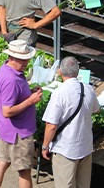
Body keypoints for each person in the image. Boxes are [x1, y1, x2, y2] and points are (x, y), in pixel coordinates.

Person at [39, 56, 99, 188]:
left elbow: (51, 125)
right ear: (78, 72)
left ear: (60, 72)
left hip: (65, 150)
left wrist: (45, 146)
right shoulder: (88, 89)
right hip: (85, 147)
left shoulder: (59, 94)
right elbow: (97, 110)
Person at [0, 40, 41, 188]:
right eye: (22, 59)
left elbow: (13, 98)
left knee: (3, 162)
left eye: (27, 59)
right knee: (24, 171)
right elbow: (7, 111)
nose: (25, 63)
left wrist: (29, 94)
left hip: (7, 130)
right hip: (19, 134)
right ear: (11, 58)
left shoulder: (7, 69)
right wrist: (30, 101)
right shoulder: (11, 79)